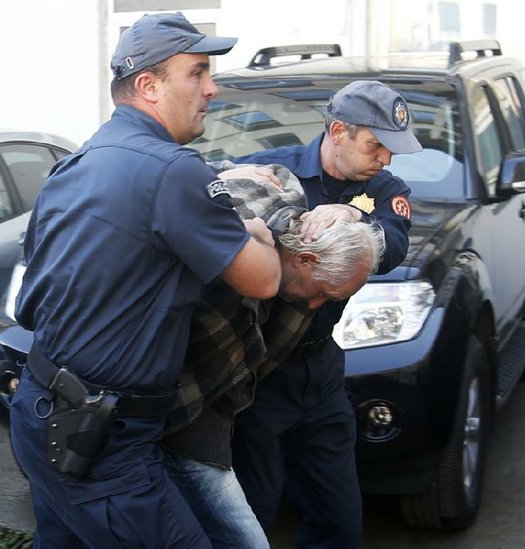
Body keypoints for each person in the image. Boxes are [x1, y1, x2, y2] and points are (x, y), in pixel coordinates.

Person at [9, 12, 281, 548]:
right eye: (198, 73)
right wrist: (257, 231)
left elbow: (31, 299)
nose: (212, 87)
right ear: (149, 86)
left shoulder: (80, 161)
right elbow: (265, 279)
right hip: (101, 440)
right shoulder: (173, 170)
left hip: (41, 411)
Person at [231, 80, 422, 548]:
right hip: (260, 373)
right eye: (375, 145)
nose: (385, 159)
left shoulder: (382, 189)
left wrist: (357, 221)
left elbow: (395, 242)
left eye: (391, 150)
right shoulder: (276, 173)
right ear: (338, 131)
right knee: (254, 508)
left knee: (338, 517)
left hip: (321, 372)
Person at [158, 163, 385, 548]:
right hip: (152, 408)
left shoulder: (299, 226)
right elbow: (167, 183)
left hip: (217, 411)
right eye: (322, 293)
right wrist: (217, 170)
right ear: (304, 260)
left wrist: (355, 211)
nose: (316, 306)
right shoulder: (226, 238)